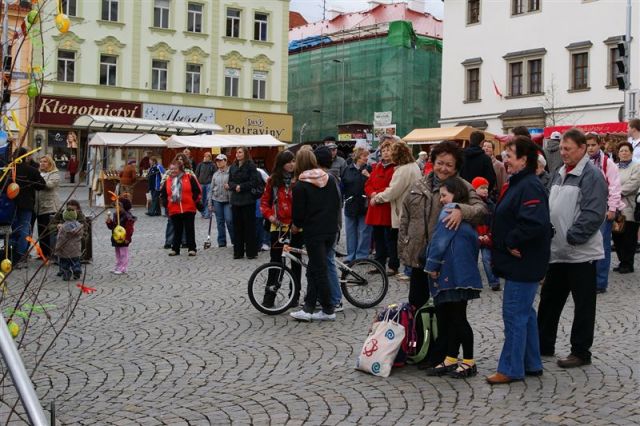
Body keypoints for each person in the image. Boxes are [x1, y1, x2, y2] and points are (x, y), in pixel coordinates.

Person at [399, 141, 486, 369]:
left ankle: (443, 355)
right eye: (440, 163)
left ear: (456, 167)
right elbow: (405, 217)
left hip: (446, 262)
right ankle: (420, 349)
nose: (443, 168)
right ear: (432, 162)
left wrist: (461, 209)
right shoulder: (419, 185)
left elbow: (481, 211)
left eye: (449, 164)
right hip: (420, 257)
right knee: (417, 304)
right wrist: (404, 247)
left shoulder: (462, 186)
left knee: (446, 310)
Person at [537, 128, 608, 369]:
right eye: (562, 149)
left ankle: (580, 351)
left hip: (580, 254)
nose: (563, 153)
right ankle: (542, 343)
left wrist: (572, 237)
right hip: (558, 253)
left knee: (584, 306)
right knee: (549, 301)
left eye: (567, 149)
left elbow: (593, 213)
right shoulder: (559, 172)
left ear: (581, 149)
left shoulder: (592, 175)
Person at [486, 136, 552, 385]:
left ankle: (511, 368)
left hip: (523, 261)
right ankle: (531, 362)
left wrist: (509, 242)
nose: (505, 160)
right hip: (522, 261)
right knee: (525, 312)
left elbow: (534, 222)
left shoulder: (529, 186)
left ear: (524, 160)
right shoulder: (521, 182)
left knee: (514, 314)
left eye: (510, 156)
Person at [424, 177, 483, 378]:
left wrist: (431, 265)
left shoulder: (450, 211)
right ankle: (451, 357)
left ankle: (468, 361)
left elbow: (439, 242)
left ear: (455, 196)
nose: (441, 199)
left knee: (458, 319)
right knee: (453, 318)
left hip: (453, 275)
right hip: (461, 274)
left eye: (444, 195)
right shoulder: (464, 216)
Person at [289, 149, 341, 322]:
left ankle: (328, 309)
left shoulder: (300, 185)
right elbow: (336, 204)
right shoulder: (330, 179)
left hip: (314, 232)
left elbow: (298, 215)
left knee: (319, 270)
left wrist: (296, 226)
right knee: (314, 268)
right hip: (330, 230)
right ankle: (308, 307)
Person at [372, 139, 421, 277]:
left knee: (404, 241)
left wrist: (377, 198)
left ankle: (408, 271)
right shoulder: (414, 166)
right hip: (412, 207)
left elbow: (393, 191)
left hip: (403, 209)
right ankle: (408, 270)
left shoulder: (403, 170)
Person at [260, 151, 303, 306]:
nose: (292, 164)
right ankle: (269, 296)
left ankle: (294, 296)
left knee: (296, 263)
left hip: (296, 228)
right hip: (277, 228)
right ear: (281, 164)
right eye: (288, 162)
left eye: (293, 161)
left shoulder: (299, 180)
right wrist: (271, 216)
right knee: (275, 262)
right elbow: (264, 203)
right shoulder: (272, 181)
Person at [586, 132, 622, 294]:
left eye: (593, 144)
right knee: (587, 246)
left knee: (602, 246)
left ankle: (600, 282)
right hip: (586, 209)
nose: (590, 148)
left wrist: (612, 209)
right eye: (587, 145)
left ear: (599, 144)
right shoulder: (583, 162)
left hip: (603, 209)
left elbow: (614, 188)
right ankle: (588, 279)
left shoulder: (608, 163)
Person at [6, 148, 46, 266]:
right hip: (26, 203)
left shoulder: (9, 169)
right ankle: (19, 255)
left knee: (12, 229)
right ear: (26, 157)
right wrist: (30, 184)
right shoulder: (31, 170)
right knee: (24, 229)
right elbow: (41, 185)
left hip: (10, 204)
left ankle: (11, 254)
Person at [364, 138, 396, 276]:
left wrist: (378, 194)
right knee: (378, 239)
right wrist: (372, 193)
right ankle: (379, 264)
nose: (386, 153)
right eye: (383, 150)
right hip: (375, 207)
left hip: (387, 207)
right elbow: (368, 183)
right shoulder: (376, 167)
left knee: (391, 238)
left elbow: (392, 187)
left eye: (388, 150)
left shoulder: (395, 168)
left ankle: (393, 265)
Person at [161, 160, 201, 257]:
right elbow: (163, 195)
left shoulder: (189, 177)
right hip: (174, 208)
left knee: (189, 229)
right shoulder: (168, 181)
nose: (172, 171)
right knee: (177, 229)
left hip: (188, 208)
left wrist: (194, 201)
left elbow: (197, 190)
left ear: (180, 169)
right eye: (171, 169)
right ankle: (175, 249)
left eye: (175, 169)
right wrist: (167, 204)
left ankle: (192, 248)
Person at [612, 142, 640, 276]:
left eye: (626, 151)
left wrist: (617, 193)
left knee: (629, 236)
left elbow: (634, 183)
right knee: (617, 235)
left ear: (631, 152)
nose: (624, 153)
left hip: (629, 206)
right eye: (621, 151)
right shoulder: (614, 167)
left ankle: (628, 263)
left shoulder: (637, 167)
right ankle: (622, 260)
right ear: (618, 153)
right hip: (616, 207)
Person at [228, 147, 261, 259]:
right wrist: (234, 186)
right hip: (236, 200)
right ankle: (238, 252)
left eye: (240, 152)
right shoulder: (233, 166)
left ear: (245, 154)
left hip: (247, 199)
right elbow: (230, 181)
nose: (237, 154)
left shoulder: (251, 166)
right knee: (237, 227)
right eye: (237, 152)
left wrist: (241, 187)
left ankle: (251, 252)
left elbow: (254, 181)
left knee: (249, 227)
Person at [341, 147, 372, 263]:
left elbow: (373, 183)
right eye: (364, 156)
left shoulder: (369, 169)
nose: (366, 158)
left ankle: (362, 256)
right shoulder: (347, 169)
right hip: (351, 204)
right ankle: (350, 255)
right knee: (350, 231)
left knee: (365, 231)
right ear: (358, 157)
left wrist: (368, 175)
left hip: (364, 204)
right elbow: (342, 185)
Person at [471, 177, 500, 291]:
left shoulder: (491, 204)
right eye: (482, 188)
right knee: (471, 261)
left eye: (486, 188)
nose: (485, 190)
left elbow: (494, 221)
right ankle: (472, 283)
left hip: (487, 236)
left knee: (487, 260)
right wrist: (476, 235)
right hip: (474, 236)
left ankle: (494, 282)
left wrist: (489, 235)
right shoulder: (471, 204)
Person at [35, 155, 61, 259]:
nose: (42, 163)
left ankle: (51, 253)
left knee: (49, 232)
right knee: (41, 231)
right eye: (41, 161)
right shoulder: (39, 173)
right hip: (39, 207)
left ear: (50, 163)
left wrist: (37, 178)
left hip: (50, 207)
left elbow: (49, 185)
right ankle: (43, 253)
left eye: (45, 162)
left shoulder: (54, 174)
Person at [105, 196, 136, 274]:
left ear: (124, 207)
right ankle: (118, 266)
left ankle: (123, 267)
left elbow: (129, 229)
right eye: (116, 206)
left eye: (119, 206)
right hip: (116, 237)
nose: (117, 207)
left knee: (123, 253)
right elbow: (112, 227)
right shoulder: (116, 215)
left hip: (124, 238)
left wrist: (127, 238)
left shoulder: (128, 217)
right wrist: (109, 222)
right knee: (118, 253)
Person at [208, 154, 234, 248]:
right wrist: (210, 203)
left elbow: (234, 184)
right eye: (217, 161)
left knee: (229, 220)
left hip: (228, 200)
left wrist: (230, 186)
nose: (218, 162)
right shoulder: (215, 174)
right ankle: (222, 242)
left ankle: (234, 240)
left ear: (225, 161)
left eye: (220, 160)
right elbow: (211, 189)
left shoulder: (231, 172)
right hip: (217, 199)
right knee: (219, 221)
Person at [54, 207, 83, 281]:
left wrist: (57, 248)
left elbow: (60, 239)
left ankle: (66, 273)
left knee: (64, 263)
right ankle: (76, 269)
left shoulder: (63, 227)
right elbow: (81, 236)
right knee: (76, 261)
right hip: (76, 249)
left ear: (64, 216)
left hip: (65, 251)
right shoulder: (79, 226)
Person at [195, 152, 216, 219]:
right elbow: (196, 173)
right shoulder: (200, 164)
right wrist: (197, 182)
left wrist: (213, 183)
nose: (206, 157)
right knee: (202, 199)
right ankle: (203, 213)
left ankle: (207, 214)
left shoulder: (212, 165)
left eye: (208, 156)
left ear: (210, 157)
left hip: (209, 184)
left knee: (208, 199)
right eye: (205, 156)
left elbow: (214, 174)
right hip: (201, 184)